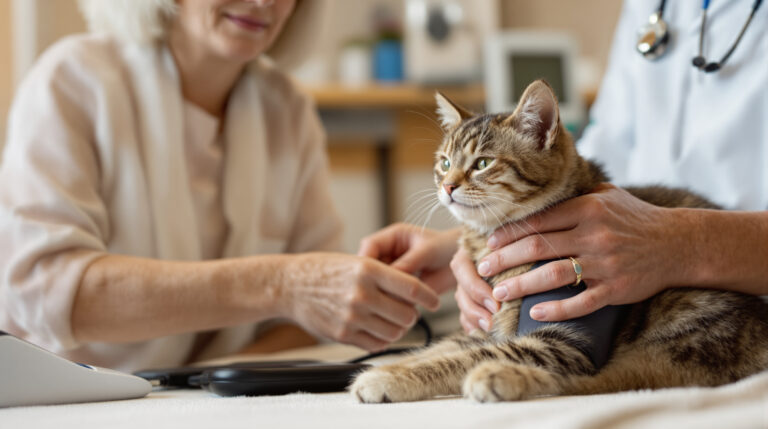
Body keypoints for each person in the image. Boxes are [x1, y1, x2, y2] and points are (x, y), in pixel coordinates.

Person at [0, 0, 440, 372]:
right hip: (74, 399)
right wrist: (282, 285)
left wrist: (213, 382)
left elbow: (315, 314)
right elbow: (47, 292)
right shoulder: (72, 80)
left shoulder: (287, 111)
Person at [361, 0, 768, 334]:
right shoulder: (650, 6)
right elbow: (587, 170)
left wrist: (681, 245)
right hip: (628, 302)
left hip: (741, 313)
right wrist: (480, 240)